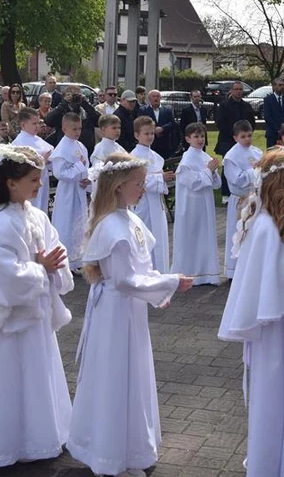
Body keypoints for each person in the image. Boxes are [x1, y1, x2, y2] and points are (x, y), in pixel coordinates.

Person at [68, 153, 193, 475]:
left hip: (129, 310)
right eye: (138, 183)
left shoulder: (129, 218)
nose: (143, 188)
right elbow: (123, 279)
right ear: (118, 187)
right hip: (115, 313)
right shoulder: (112, 225)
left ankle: (131, 447)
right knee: (117, 376)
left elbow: (142, 269)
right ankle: (112, 453)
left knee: (133, 375)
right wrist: (169, 283)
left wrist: (160, 288)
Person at [0, 145, 74, 468]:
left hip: (36, 316)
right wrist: (41, 268)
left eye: (40, 179)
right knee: (10, 380)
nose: (40, 185)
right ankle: (2, 445)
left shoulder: (37, 215)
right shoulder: (0, 224)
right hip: (12, 318)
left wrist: (52, 266)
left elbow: (56, 250)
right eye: (33, 180)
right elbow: (7, 274)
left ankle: (40, 438)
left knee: (38, 375)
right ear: (11, 182)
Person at [218, 148, 284, 476]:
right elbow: (272, 278)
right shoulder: (266, 227)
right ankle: (272, 461)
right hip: (275, 325)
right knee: (274, 392)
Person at [172, 122, 221, 286]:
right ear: (188, 139)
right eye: (196, 136)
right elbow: (192, 182)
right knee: (192, 236)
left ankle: (206, 272)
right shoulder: (187, 159)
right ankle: (190, 271)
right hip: (191, 205)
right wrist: (209, 171)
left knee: (204, 235)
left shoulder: (204, 156)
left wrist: (213, 172)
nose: (200, 139)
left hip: (204, 204)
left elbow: (216, 184)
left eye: (202, 136)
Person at [50, 112, 91, 274]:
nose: (77, 132)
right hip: (67, 193)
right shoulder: (61, 148)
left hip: (79, 191)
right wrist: (79, 168)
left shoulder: (81, 146)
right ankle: (65, 261)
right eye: (74, 129)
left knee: (79, 225)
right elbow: (60, 173)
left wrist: (87, 179)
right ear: (64, 128)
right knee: (66, 224)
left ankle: (77, 260)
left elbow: (86, 167)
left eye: (79, 128)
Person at [131, 116, 173, 274]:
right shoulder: (134, 156)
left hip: (157, 203)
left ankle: (160, 271)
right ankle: (146, 272)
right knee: (145, 238)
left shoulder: (155, 156)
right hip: (143, 204)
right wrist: (160, 178)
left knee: (160, 237)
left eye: (151, 133)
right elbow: (136, 181)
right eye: (146, 133)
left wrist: (161, 178)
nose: (150, 137)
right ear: (137, 135)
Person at [222, 119, 262, 278]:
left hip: (256, 198)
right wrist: (255, 170)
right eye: (243, 136)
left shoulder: (257, 152)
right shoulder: (231, 157)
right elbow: (237, 179)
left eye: (250, 135)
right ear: (235, 137)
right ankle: (235, 270)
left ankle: (252, 268)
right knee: (238, 232)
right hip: (241, 199)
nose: (247, 139)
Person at [215, 82, 254, 200]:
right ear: (231, 91)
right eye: (236, 89)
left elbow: (252, 122)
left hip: (243, 140)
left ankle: (248, 187)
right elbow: (220, 122)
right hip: (228, 140)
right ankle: (226, 193)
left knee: (245, 165)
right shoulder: (224, 105)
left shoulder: (247, 106)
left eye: (240, 89)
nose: (238, 91)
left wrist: (245, 135)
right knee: (228, 167)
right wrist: (235, 135)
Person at [12, 107, 54, 214]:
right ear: (23, 125)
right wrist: (41, 160)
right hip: (27, 183)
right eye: (34, 123)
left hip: (42, 182)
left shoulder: (40, 141)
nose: (37, 126)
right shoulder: (18, 144)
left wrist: (50, 161)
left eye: (38, 123)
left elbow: (52, 160)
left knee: (42, 209)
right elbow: (20, 167)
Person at [44, 84, 98, 152]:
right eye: (71, 95)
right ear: (64, 96)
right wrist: (64, 103)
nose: (74, 98)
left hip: (85, 147)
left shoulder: (86, 111)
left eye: (77, 95)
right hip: (65, 148)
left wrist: (85, 103)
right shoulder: (61, 111)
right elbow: (48, 121)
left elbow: (100, 121)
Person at [140, 90, 176, 159]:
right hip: (151, 143)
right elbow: (141, 124)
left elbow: (172, 123)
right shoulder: (143, 110)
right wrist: (154, 130)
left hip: (165, 143)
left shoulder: (167, 109)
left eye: (157, 96)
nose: (155, 98)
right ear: (149, 98)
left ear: (160, 98)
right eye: (153, 96)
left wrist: (162, 128)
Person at [262, 77, 284, 147]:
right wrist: (278, 129)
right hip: (272, 134)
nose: (282, 87)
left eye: (283, 85)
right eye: (280, 85)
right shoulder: (268, 100)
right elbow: (267, 116)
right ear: (274, 86)